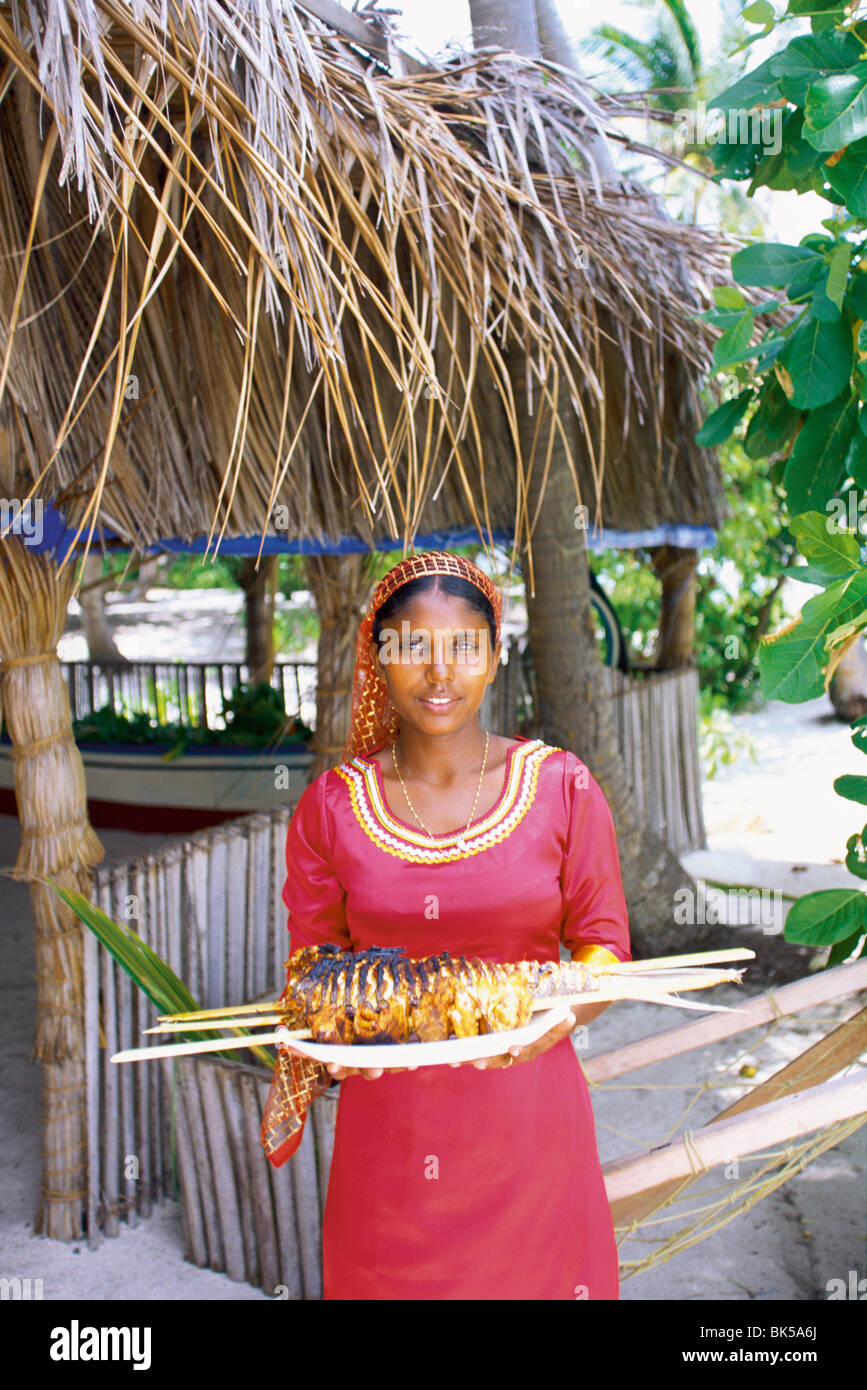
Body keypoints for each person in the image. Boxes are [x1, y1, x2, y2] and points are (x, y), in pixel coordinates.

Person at [260, 549, 631, 1300]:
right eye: (412, 647)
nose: (439, 673)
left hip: (529, 1120)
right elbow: (315, 967)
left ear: (494, 656)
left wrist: (556, 1014)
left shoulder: (561, 787)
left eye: (464, 646)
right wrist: (329, 1045)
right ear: (379, 658)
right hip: (390, 1137)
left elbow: (605, 945)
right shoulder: (332, 807)